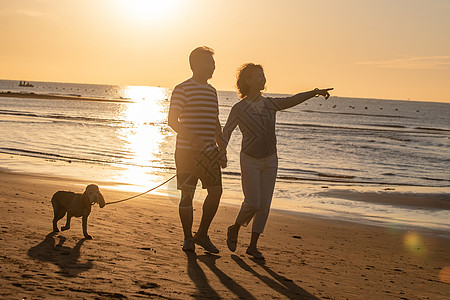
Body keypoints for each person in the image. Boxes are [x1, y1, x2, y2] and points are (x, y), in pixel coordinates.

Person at [221, 63, 332, 259]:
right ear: (247, 81)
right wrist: (221, 152)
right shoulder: (239, 108)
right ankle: (235, 228)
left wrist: (314, 92)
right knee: (253, 202)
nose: (262, 79)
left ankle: (253, 246)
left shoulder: (270, 104)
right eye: (258, 76)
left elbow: (292, 100)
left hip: (270, 159)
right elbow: (227, 131)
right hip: (249, 160)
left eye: (263, 76)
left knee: (264, 205)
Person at [168, 46, 226, 253]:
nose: (213, 67)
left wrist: (222, 148)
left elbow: (215, 121)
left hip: (210, 152)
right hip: (186, 153)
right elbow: (172, 121)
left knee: (216, 192)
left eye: (213, 63)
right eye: (209, 63)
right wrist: (192, 138)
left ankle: (201, 234)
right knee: (187, 195)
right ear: (195, 65)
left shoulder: (212, 91)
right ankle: (187, 238)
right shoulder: (182, 88)